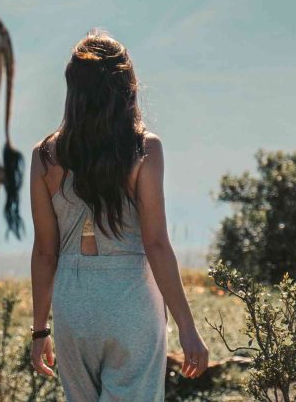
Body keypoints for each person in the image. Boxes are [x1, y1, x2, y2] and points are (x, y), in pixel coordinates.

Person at [29, 31, 209, 401]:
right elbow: (156, 244)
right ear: (126, 86)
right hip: (131, 302)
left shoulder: (45, 156)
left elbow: (45, 253)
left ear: (73, 89)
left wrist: (39, 331)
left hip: (72, 306)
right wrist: (187, 327)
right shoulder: (144, 149)